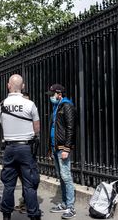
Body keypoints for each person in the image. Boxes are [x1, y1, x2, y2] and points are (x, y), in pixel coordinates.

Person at [0, 74, 41, 220]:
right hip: (25, 148)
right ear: (23, 87)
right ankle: (34, 215)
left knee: (9, 184)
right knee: (29, 184)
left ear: (8, 86)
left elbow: (2, 123)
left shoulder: (2, 104)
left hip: (9, 148)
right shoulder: (30, 104)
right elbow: (37, 128)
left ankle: (6, 215)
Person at [46, 84, 78, 219]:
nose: (50, 97)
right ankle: (65, 203)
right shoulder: (56, 107)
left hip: (62, 148)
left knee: (66, 176)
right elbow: (53, 128)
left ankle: (71, 207)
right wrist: (50, 148)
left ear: (59, 94)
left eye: (52, 94)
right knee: (61, 177)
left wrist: (67, 148)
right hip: (55, 147)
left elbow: (71, 128)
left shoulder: (67, 106)